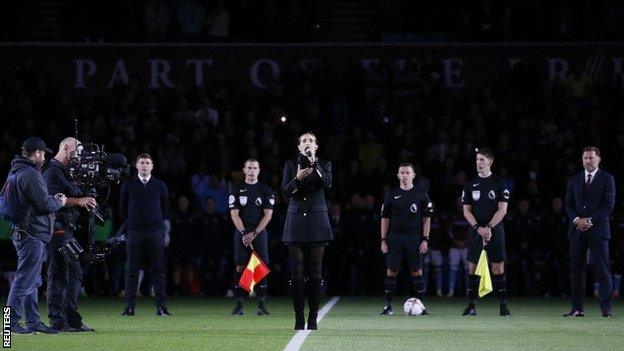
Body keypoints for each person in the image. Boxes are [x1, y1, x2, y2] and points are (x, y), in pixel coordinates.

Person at [6, 137, 66, 334]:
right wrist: (60, 201)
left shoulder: (15, 171)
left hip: (23, 231)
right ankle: (9, 324)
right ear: (36, 153)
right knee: (23, 281)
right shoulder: (30, 174)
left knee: (31, 281)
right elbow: (45, 205)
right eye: (42, 153)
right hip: (31, 233)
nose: (44, 156)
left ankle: (33, 322)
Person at [43, 137, 97, 332]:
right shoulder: (52, 172)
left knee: (73, 274)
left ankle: (71, 319)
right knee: (59, 275)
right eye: (77, 152)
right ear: (66, 148)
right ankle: (58, 321)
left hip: (66, 229)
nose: (79, 157)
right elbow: (51, 200)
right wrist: (79, 201)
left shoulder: (65, 172)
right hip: (56, 229)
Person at [281, 132, 332, 330]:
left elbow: (327, 183)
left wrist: (314, 165)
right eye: (304, 141)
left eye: (311, 141)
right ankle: (298, 317)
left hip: (318, 222)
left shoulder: (325, 164)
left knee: (315, 272)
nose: (307, 143)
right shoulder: (290, 165)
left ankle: (312, 318)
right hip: (295, 222)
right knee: (296, 272)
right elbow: (285, 192)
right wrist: (298, 178)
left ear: (316, 147)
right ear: (299, 146)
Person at [564, 146, 615, 317]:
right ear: (582, 160)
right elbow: (568, 205)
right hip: (577, 230)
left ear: (599, 159)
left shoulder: (607, 179)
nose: (588, 161)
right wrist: (577, 220)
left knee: (603, 270)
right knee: (576, 271)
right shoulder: (574, 179)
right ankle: (577, 308)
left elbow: (608, 205)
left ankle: (606, 310)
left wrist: (590, 220)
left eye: (591, 158)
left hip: (598, 231)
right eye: (585, 158)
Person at [461, 148, 511, 316]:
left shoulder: (499, 183)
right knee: (473, 268)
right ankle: (471, 307)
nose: (478, 163)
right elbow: (466, 211)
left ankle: (503, 307)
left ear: (490, 161)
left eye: (482, 160)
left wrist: (489, 227)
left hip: (495, 230)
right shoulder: (469, 184)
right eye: (477, 160)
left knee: (497, 267)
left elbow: (502, 210)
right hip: (476, 230)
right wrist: (478, 228)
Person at [120, 153, 170, 316]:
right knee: (132, 270)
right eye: (141, 163)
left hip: (155, 231)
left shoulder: (160, 186)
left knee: (158, 270)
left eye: (147, 163)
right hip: (135, 231)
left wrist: (162, 228)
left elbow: (165, 209)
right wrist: (132, 223)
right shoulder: (128, 186)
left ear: (152, 166)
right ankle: (129, 307)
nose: (144, 165)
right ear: (137, 165)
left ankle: (161, 307)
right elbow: (123, 208)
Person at [380, 163, 433, 316]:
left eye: (407, 172)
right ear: (398, 176)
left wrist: (425, 239)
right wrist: (383, 239)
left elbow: (426, 219)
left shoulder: (421, 194)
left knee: (416, 271)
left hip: (414, 238)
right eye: (402, 172)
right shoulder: (391, 194)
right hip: (395, 237)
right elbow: (385, 219)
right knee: (391, 271)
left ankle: (421, 307)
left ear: (413, 175)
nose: (404, 175)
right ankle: (388, 306)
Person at [229, 159, 274, 315]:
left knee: (261, 266)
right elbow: (234, 214)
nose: (252, 170)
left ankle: (261, 305)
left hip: (259, 233)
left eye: (255, 168)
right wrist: (243, 233)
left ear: (259, 170)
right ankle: (239, 305)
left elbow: (268, 215)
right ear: (244, 169)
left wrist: (254, 233)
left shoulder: (265, 190)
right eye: (249, 168)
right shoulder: (236, 189)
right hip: (241, 232)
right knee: (240, 266)